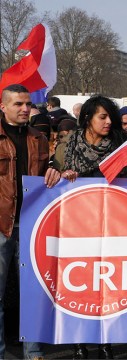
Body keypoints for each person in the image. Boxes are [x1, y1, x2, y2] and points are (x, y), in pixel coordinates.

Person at [61, 95, 127, 359]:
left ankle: (105, 341)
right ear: (87, 118)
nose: (109, 122)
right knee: (79, 284)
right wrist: (64, 175)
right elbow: (52, 176)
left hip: (112, 225)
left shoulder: (120, 143)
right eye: (102, 117)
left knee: (107, 285)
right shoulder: (69, 145)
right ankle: (79, 341)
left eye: (111, 117)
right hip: (77, 226)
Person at [0, 84, 61, 360]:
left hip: (33, 224)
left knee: (33, 292)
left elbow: (47, 171)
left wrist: (55, 171)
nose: (25, 109)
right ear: (3, 106)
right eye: (18, 104)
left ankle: (33, 353)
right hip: (1, 224)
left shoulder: (39, 137)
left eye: (27, 104)